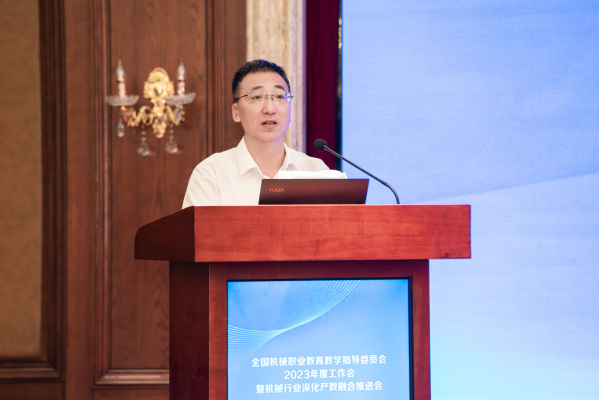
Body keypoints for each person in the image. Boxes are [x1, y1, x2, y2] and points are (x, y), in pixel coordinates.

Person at [182, 59, 329, 207]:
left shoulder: (316, 172)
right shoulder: (211, 175)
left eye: (279, 96)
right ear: (236, 112)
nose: (270, 109)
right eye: (257, 97)